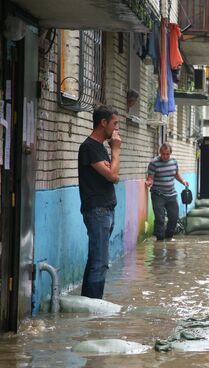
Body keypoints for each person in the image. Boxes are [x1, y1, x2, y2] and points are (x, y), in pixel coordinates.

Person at [78, 105, 121, 299]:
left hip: (106, 209)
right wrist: (116, 151)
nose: (116, 129)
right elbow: (113, 175)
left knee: (96, 259)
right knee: (100, 262)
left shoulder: (100, 148)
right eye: (114, 123)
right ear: (103, 123)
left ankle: (87, 303)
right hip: (97, 210)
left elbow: (113, 174)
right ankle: (94, 308)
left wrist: (112, 167)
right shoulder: (89, 147)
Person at [145, 143, 189, 241]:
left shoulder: (174, 162)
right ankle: (160, 240)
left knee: (174, 217)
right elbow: (150, 178)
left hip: (171, 194)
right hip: (158, 195)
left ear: (170, 153)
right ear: (160, 153)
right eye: (163, 154)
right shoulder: (154, 163)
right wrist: (149, 182)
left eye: (167, 154)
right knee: (160, 218)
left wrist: (183, 181)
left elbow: (176, 174)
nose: (165, 156)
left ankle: (169, 237)